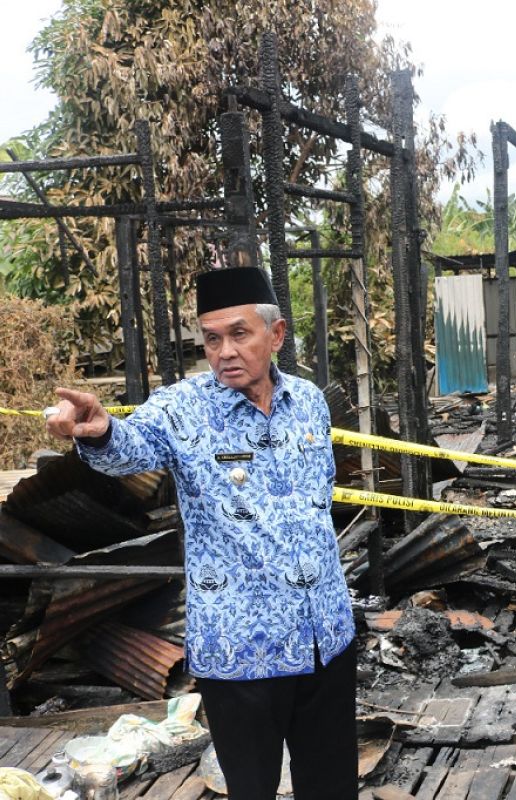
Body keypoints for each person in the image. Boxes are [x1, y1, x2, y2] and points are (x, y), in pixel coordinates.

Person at [46, 267, 358, 800]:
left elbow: (320, 496)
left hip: (324, 638)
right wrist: (100, 433)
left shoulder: (308, 401)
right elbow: (132, 445)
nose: (225, 351)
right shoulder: (183, 408)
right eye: (212, 339)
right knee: (253, 789)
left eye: (239, 334)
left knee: (331, 786)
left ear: (276, 335)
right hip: (240, 651)